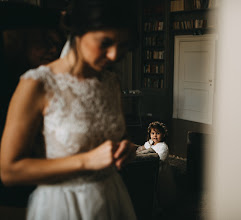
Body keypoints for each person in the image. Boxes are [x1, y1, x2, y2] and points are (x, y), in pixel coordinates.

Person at [0, 0, 138, 219]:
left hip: (112, 197)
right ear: (78, 32)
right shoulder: (37, 83)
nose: (114, 55)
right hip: (63, 203)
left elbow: (116, 136)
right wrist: (87, 161)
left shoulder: (111, 82)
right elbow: (10, 171)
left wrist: (125, 147)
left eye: (123, 46)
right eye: (105, 43)